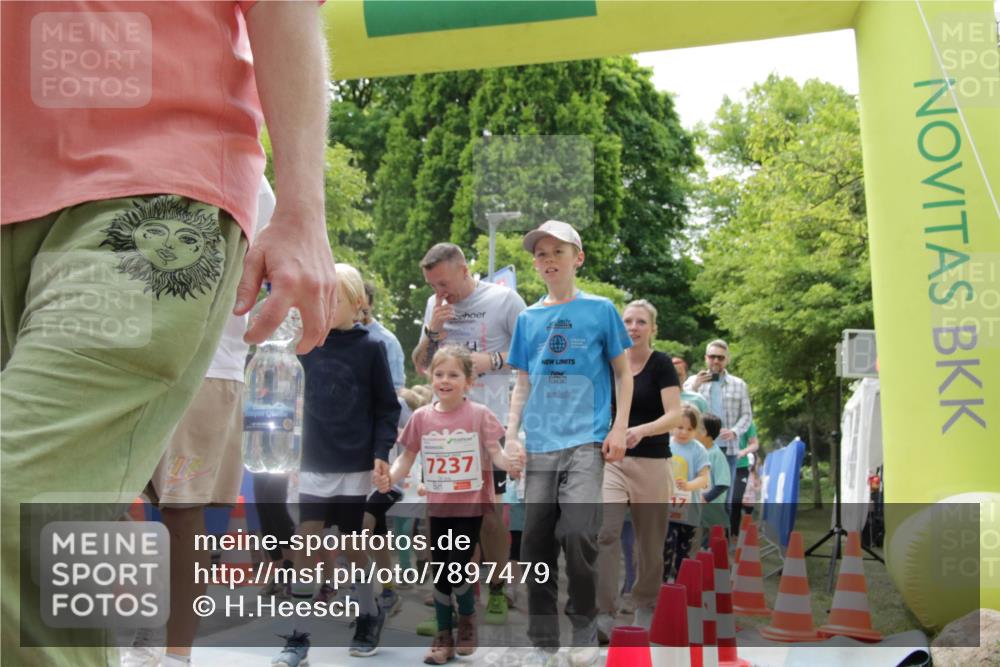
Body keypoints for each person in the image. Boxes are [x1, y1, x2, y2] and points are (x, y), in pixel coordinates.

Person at [1, 4, 336, 665]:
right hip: (17, 183)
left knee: (42, 512)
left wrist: (302, 206)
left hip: (152, 195)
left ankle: (174, 650)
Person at [119, 177, 276, 667]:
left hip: (205, 373)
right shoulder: (142, 158)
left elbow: (276, 283)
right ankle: (130, 630)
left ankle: (174, 653)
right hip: (124, 367)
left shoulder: (255, 185)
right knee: (98, 499)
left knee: (183, 514)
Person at [505, 220, 633, 667]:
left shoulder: (600, 310)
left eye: (557, 251)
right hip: (539, 443)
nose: (548, 260)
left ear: (577, 258)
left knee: (578, 531)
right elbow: (521, 383)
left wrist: (619, 427)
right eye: (541, 254)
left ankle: (583, 624)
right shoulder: (527, 318)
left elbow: (623, 371)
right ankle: (543, 641)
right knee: (534, 544)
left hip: (587, 439)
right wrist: (510, 436)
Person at [273, 263, 400, 665]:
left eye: (335, 298)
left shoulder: (371, 348)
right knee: (306, 542)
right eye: (321, 297)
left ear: (357, 303)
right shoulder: (303, 346)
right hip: (312, 462)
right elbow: (284, 395)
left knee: (351, 545)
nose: (326, 305)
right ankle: (298, 635)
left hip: (355, 466)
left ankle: (368, 613)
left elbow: (387, 407)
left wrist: (382, 453)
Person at [378, 346, 523, 664]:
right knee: (441, 572)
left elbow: (495, 452)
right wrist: (390, 477)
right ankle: (444, 635)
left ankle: (467, 619)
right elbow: (407, 456)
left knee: (457, 567)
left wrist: (508, 463)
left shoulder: (480, 414)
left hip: (471, 506)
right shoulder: (421, 417)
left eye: (453, 375)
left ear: (468, 381)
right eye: (439, 374)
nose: (445, 380)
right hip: (437, 507)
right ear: (430, 378)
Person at [412, 242, 527, 624]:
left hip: (487, 423)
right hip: (443, 427)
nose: (439, 293)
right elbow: (420, 366)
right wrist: (433, 331)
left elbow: (533, 352)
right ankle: (451, 592)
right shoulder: (435, 306)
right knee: (440, 515)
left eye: (444, 283)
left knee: (489, 513)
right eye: (432, 286)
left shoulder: (504, 300)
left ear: (465, 270)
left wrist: (492, 360)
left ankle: (497, 588)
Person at [596, 300, 682, 639]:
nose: (633, 326)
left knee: (649, 543)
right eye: (627, 321)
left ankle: (645, 604)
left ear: (653, 329)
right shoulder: (608, 364)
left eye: (641, 321)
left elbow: (675, 414)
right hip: (612, 463)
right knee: (605, 533)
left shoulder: (661, 364)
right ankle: (604, 612)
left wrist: (641, 430)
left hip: (652, 462)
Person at [683, 340, 752, 512]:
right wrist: (694, 387)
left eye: (720, 358)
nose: (716, 361)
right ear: (706, 358)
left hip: (727, 449)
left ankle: (720, 538)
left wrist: (735, 431)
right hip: (697, 448)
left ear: (727, 359)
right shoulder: (692, 382)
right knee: (694, 496)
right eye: (712, 357)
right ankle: (693, 536)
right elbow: (682, 409)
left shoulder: (739, 385)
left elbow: (747, 415)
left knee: (723, 499)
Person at [663, 405, 710, 581]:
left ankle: (680, 587)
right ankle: (662, 585)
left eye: (690, 429)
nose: (684, 432)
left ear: (696, 430)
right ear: (672, 425)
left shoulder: (699, 450)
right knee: (667, 544)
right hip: (667, 508)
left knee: (684, 551)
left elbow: (704, 479)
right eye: (680, 427)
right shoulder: (665, 443)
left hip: (690, 510)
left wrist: (689, 485)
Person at [362, 281, 405, 390]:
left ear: (371, 305)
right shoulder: (331, 336)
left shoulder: (388, 341)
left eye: (363, 310)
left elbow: (396, 388)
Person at [698, 413, 732, 545]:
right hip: (695, 511)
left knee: (709, 545)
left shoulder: (716, 454)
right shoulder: (696, 452)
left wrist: (705, 498)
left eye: (696, 427)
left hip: (711, 512)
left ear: (705, 432)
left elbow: (723, 483)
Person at [730, 420, 760, 540]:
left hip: (741, 466)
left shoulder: (748, 423)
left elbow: (755, 444)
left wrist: (744, 451)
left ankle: (734, 534)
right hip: (723, 463)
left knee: (735, 500)